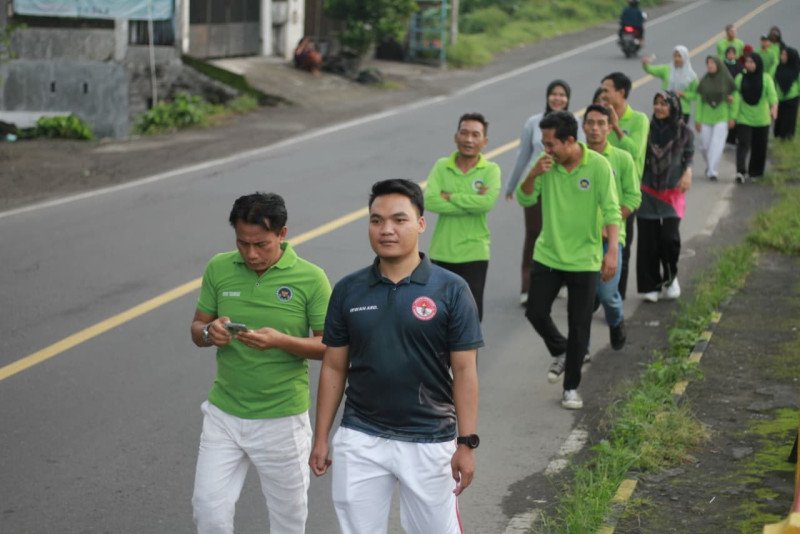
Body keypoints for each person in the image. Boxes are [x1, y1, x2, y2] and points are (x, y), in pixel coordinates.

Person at [310, 178, 482, 534]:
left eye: (399, 220)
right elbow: (334, 366)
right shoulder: (349, 289)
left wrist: (466, 443)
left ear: (421, 223)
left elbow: (465, 370)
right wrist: (322, 437)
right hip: (361, 436)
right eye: (376, 220)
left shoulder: (451, 289)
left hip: (430, 437)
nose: (386, 229)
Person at [190, 192, 332, 534]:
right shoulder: (219, 267)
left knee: (288, 520)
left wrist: (280, 341)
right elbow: (197, 328)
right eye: (242, 243)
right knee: (208, 510)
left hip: (282, 420)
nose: (251, 253)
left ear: (282, 234)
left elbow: (330, 347)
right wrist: (210, 332)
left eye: (261, 244)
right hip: (224, 414)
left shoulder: (311, 278)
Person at [516, 111, 620, 410]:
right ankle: (562, 350)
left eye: (551, 144)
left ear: (570, 140)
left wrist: (612, 250)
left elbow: (611, 210)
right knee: (535, 311)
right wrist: (533, 174)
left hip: (584, 260)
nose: (546, 149)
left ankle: (570, 387)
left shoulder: (598, 166)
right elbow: (525, 198)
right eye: (544, 143)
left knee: (579, 325)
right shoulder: (545, 165)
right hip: (548, 254)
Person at [505, 80, 583, 306]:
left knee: (562, 233)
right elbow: (523, 156)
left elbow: (579, 155)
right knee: (533, 233)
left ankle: (562, 280)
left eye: (562, 94)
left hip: (564, 188)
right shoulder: (533, 123)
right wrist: (512, 186)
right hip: (536, 183)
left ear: (568, 98)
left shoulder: (575, 123)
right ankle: (527, 288)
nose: (557, 98)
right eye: (553, 94)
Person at [424, 112, 501, 321]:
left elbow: (486, 203)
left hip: (474, 253)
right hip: (442, 252)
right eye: (464, 133)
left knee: (471, 316)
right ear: (455, 136)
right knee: (438, 316)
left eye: (475, 135)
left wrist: (451, 196)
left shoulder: (490, 170)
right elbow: (430, 201)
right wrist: (472, 203)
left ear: (484, 141)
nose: (469, 139)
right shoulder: (442, 166)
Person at [583, 104, 640, 351]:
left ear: (609, 127)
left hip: (611, 240)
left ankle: (616, 322)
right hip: (582, 240)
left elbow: (633, 197)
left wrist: (611, 225)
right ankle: (581, 350)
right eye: (590, 123)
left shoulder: (622, 158)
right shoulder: (576, 157)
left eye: (601, 124)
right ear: (583, 126)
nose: (595, 128)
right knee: (582, 301)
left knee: (607, 294)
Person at [637, 91, 694, 303]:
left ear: (673, 107)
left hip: (672, 192)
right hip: (647, 191)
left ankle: (670, 278)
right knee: (648, 241)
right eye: (656, 103)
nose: (659, 108)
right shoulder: (646, 129)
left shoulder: (684, 131)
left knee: (669, 239)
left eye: (664, 104)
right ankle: (650, 285)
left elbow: (689, 154)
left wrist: (688, 172)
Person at [600, 72, 650, 300]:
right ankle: (596, 294)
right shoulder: (601, 120)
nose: (603, 94)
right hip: (601, 192)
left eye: (607, 90)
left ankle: (616, 297)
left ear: (621, 92)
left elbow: (634, 152)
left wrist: (617, 127)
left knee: (622, 248)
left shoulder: (639, 120)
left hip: (625, 196)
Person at [730, 53, 778, 183]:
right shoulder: (740, 78)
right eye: (747, 62)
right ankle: (740, 171)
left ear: (758, 64)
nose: (749, 65)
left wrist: (774, 108)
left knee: (759, 147)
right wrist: (732, 117)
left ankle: (755, 172)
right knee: (743, 144)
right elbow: (736, 99)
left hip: (762, 119)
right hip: (744, 118)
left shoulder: (766, 78)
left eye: (752, 62)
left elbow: (772, 95)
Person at [694, 56, 735, 181]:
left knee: (716, 145)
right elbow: (699, 102)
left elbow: (734, 98)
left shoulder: (727, 80)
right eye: (708, 63)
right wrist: (698, 119)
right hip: (706, 117)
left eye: (712, 63)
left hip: (722, 117)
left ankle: (712, 171)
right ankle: (709, 165)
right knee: (704, 145)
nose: (710, 65)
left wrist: (732, 117)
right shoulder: (704, 81)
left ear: (718, 65)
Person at [642, 46, 698, 123]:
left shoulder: (692, 76)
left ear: (685, 57)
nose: (677, 59)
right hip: (665, 109)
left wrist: (683, 94)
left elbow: (696, 95)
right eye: (675, 56)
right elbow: (650, 69)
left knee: (678, 131)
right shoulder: (666, 69)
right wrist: (645, 64)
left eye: (679, 56)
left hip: (682, 111)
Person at [774, 47, 800, 140]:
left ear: (790, 57)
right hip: (779, 98)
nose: (782, 56)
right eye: (782, 54)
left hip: (792, 98)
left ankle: (787, 138)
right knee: (779, 119)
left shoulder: (796, 69)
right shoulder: (778, 67)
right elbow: (773, 80)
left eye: (785, 55)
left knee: (789, 120)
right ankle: (779, 137)